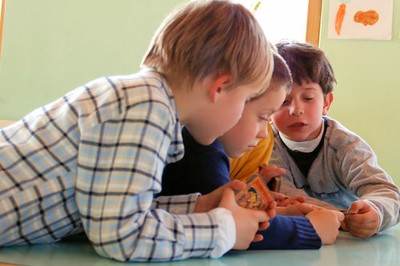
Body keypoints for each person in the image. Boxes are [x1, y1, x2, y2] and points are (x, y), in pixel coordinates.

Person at [0, 1, 276, 262]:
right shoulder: (146, 109)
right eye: (246, 100)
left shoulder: (143, 102)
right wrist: (224, 230)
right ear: (220, 87)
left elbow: (112, 210)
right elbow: (121, 235)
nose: (241, 113)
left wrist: (200, 207)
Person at [161, 53, 344, 248]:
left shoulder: (206, 145)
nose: (264, 133)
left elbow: (214, 209)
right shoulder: (203, 152)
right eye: (262, 117)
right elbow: (232, 227)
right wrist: (309, 228)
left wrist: (279, 213)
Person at [269, 40, 400, 238]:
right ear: (266, 105)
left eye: (308, 98)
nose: (296, 110)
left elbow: (386, 191)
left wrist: (376, 212)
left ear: (326, 102)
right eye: (283, 101)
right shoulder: (264, 145)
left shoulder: (347, 146)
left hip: (348, 242)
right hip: (299, 238)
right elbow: (284, 196)